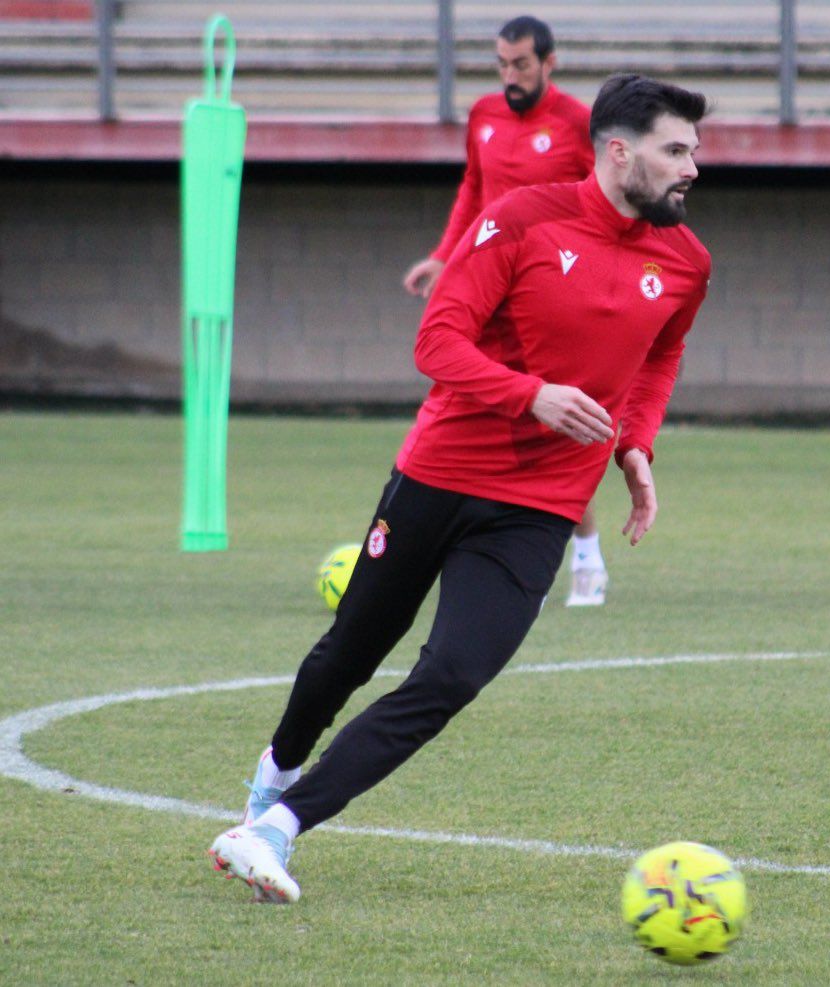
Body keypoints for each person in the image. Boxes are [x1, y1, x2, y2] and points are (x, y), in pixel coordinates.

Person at [207, 73, 711, 904]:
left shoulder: (686, 261)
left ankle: (274, 829)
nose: (693, 167)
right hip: (439, 475)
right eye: (677, 150)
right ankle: (275, 773)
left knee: (450, 677)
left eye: (694, 150)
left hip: (540, 507)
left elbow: (660, 354)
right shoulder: (521, 219)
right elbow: (436, 342)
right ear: (619, 152)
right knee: (350, 652)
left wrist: (635, 446)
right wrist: (531, 394)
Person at [402, 15, 610, 607]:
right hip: (488, 287)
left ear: (549, 63)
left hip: (551, 293)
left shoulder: (578, 125)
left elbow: (605, 205)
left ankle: (587, 556)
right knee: (470, 408)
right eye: (501, 64)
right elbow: (474, 189)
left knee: (554, 425)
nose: (510, 75)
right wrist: (445, 256)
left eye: (521, 64)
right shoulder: (484, 116)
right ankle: (492, 558)